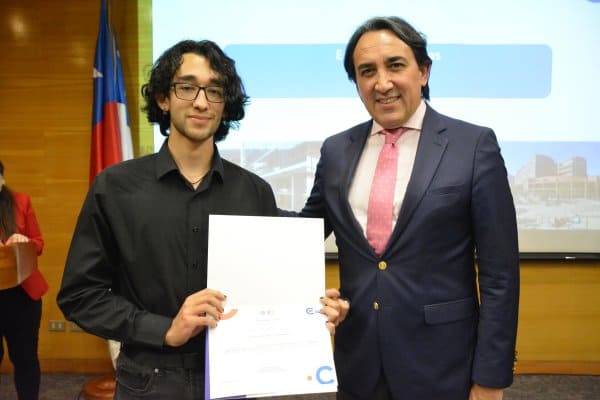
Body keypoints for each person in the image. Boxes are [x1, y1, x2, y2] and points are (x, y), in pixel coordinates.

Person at [57, 39, 348, 400]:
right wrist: (163, 329)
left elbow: (273, 282)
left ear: (226, 106)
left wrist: (312, 311)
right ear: (163, 98)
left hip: (238, 377)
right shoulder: (115, 188)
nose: (201, 101)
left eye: (215, 90)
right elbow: (80, 296)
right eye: (187, 87)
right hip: (149, 378)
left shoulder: (254, 191)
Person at [285, 17, 520, 400]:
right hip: (359, 362)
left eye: (395, 65)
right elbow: (303, 234)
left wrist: (490, 378)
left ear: (423, 71)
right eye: (367, 72)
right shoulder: (336, 150)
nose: (382, 83)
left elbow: (500, 276)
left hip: (444, 365)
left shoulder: (473, 145)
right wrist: (240, 199)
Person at [0, 160, 47, 400]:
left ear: (2, 179)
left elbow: (38, 244)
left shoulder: (20, 201)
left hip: (22, 294)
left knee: (25, 358)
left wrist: (24, 242)